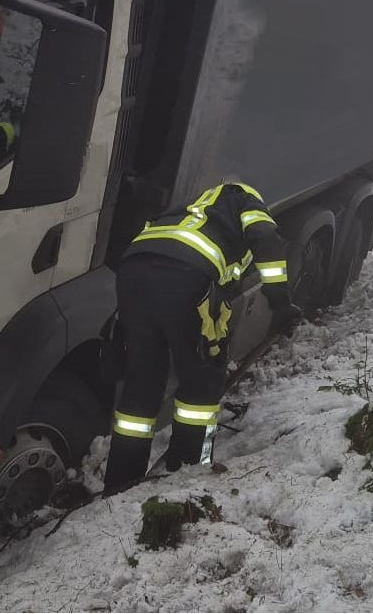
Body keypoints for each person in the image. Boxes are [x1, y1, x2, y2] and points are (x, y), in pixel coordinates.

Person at [103, 181, 298, 495]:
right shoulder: (245, 199)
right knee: (202, 382)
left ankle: (119, 483)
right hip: (186, 279)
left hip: (133, 274)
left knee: (141, 384)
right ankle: (187, 473)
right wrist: (281, 304)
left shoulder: (189, 212)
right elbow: (266, 240)